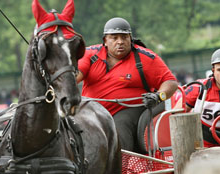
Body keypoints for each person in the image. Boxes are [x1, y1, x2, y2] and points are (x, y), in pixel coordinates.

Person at [76, 17, 178, 152]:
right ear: (105, 41)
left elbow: (170, 82)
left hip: (130, 109)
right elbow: (73, 78)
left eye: (124, 37)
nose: (120, 42)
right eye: (114, 37)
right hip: (92, 112)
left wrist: (159, 96)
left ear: (130, 39)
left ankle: (122, 167)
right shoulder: (89, 54)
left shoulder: (145, 58)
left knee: (118, 128)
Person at [180, 49, 220, 147]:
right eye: (219, 70)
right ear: (213, 70)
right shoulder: (198, 88)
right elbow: (176, 115)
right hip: (203, 144)